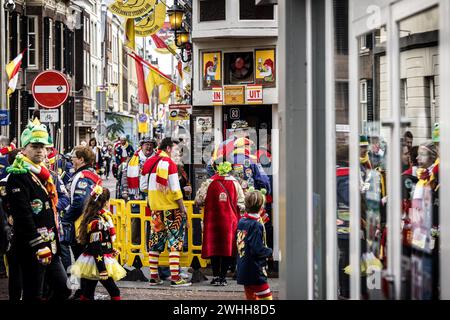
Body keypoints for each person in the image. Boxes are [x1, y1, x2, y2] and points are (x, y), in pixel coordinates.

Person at [5, 119, 71, 300]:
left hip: (51, 244)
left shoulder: (44, 174)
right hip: (33, 247)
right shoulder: (18, 176)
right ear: (24, 149)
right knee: (33, 293)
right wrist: (38, 244)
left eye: (43, 147)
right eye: (34, 146)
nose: (40, 150)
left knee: (63, 289)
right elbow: (23, 216)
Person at [141, 137, 191, 287]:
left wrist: (156, 194)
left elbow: (143, 186)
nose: (178, 154)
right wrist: (183, 210)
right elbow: (176, 190)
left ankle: (154, 277)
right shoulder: (170, 164)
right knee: (175, 243)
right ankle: (175, 278)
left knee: (155, 243)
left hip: (156, 210)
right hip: (172, 209)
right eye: (176, 150)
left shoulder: (149, 162)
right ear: (168, 148)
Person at [195, 160, 245, 286]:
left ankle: (216, 276)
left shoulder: (209, 182)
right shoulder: (235, 183)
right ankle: (223, 277)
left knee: (214, 248)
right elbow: (242, 203)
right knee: (227, 249)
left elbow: (199, 200)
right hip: (230, 221)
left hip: (212, 220)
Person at [71, 186, 126, 300]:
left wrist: (110, 250)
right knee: (114, 291)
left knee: (88, 292)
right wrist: (102, 269)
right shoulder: (97, 222)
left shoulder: (100, 218)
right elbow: (96, 246)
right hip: (98, 261)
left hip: (96, 260)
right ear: (105, 202)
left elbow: (102, 242)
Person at [62, 145, 102, 299]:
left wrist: (65, 219)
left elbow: (79, 202)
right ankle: (82, 292)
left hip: (82, 225)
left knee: (82, 259)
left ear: (81, 159)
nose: (71, 159)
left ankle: (84, 293)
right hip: (86, 223)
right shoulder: (86, 173)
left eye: (73, 157)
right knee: (83, 259)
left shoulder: (84, 176)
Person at [236, 189, 273, 300]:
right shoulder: (256, 225)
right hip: (255, 270)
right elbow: (257, 249)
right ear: (261, 206)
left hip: (243, 268)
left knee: (251, 298)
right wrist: (270, 252)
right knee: (266, 298)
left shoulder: (242, 221)